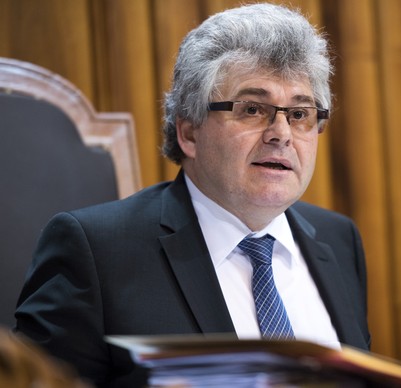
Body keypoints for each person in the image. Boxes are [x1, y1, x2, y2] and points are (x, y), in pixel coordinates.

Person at [14, 3, 370, 387]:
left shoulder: (338, 239)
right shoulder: (97, 252)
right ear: (189, 132)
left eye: (300, 114)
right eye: (252, 109)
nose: (281, 133)